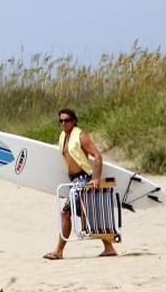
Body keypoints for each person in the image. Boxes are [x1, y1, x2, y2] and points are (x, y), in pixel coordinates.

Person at [42, 109, 117, 260]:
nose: (64, 123)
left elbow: (97, 156)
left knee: (65, 212)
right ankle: (109, 248)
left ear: (74, 121)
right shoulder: (63, 136)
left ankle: (59, 251)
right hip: (73, 180)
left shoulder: (80, 136)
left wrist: (96, 178)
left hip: (83, 179)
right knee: (86, 212)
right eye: (61, 121)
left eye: (67, 120)